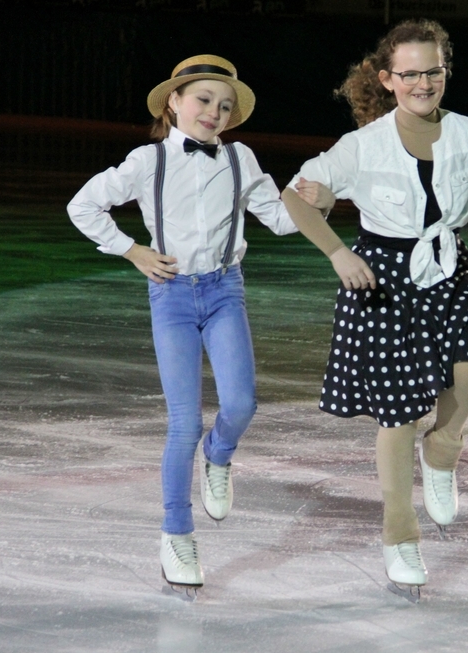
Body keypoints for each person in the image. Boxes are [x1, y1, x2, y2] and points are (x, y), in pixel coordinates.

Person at [280, 19, 468, 600]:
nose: (423, 83)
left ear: (445, 72)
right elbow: (296, 196)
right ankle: (399, 530)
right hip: (382, 279)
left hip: (448, 266)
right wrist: (337, 252)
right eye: (411, 73)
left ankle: (444, 448)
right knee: (397, 415)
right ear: (387, 78)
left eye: (433, 71)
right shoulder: (363, 145)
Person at [67, 55, 331, 597]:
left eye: (224, 105)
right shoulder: (146, 161)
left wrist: (316, 201)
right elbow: (84, 206)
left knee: (241, 406)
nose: (214, 112)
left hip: (224, 290)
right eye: (203, 100)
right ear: (174, 103)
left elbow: (280, 221)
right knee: (183, 422)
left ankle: (221, 454)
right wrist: (131, 249)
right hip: (171, 295)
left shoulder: (241, 159)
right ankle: (176, 532)